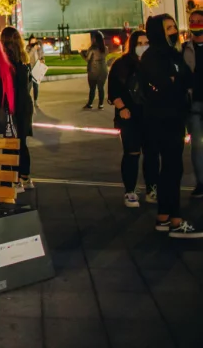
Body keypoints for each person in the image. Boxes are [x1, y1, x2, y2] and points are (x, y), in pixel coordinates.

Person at [139, 14, 202, 238]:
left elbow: (186, 79)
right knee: (172, 169)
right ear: (158, 31)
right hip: (161, 119)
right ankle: (175, 220)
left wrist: (177, 81)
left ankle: (164, 217)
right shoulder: (152, 57)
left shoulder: (173, 54)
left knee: (171, 170)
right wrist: (175, 82)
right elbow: (165, 84)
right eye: (168, 28)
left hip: (175, 117)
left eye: (174, 26)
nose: (173, 31)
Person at [109, 31, 156, 208]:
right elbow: (114, 91)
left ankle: (152, 188)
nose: (143, 46)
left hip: (150, 114)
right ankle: (130, 191)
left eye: (146, 42)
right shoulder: (121, 65)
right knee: (132, 153)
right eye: (140, 43)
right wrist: (122, 108)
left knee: (152, 153)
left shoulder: (153, 63)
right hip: (129, 115)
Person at [1, 27, 35, 190]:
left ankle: (15, 180)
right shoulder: (24, 58)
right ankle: (26, 177)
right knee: (22, 141)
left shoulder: (6, 60)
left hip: (12, 104)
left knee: (12, 141)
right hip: (25, 104)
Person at [181, 10, 203, 199]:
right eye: (192, 21)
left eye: (199, 21)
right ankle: (201, 182)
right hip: (194, 104)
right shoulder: (184, 48)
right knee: (197, 145)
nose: (195, 24)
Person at [83, 31, 109, 109]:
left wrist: (81, 52)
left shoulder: (92, 49)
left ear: (95, 39)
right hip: (103, 71)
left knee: (92, 88)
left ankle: (90, 104)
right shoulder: (105, 48)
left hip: (93, 71)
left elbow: (87, 59)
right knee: (101, 88)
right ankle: (101, 104)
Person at [27, 35, 45, 108]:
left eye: (35, 41)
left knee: (36, 86)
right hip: (30, 67)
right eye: (32, 41)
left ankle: (35, 101)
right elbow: (28, 56)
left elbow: (41, 55)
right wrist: (33, 49)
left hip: (37, 67)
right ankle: (26, 99)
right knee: (29, 85)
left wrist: (42, 59)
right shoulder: (28, 48)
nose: (34, 42)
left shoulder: (38, 47)